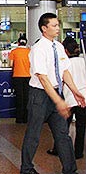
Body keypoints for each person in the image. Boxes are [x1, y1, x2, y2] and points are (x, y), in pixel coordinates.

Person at [20, 13, 86, 174]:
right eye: (54, 25)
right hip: (40, 96)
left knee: (63, 135)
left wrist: (75, 92)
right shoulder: (38, 49)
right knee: (33, 134)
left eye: (58, 25)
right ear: (44, 28)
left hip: (56, 92)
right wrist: (59, 101)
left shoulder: (58, 47)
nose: (58, 28)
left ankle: (70, 170)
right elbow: (42, 78)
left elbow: (64, 71)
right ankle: (26, 169)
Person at [46, 37, 86, 160]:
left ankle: (57, 149)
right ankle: (78, 152)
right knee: (81, 126)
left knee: (62, 127)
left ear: (66, 51)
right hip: (83, 96)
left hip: (69, 97)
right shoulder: (83, 60)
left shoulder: (65, 63)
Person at [8, 35, 30, 123]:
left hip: (17, 76)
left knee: (19, 98)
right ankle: (26, 117)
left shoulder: (13, 52)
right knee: (27, 98)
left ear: (18, 43)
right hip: (28, 77)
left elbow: (10, 64)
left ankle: (19, 118)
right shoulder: (30, 52)